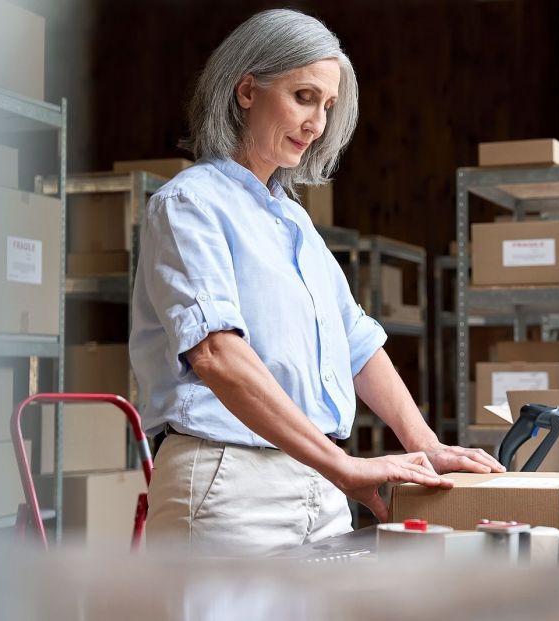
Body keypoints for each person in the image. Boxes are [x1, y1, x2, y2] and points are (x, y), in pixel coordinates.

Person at [130, 8, 504, 556]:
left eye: (328, 106)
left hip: (319, 479)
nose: (318, 124)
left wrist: (425, 443)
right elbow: (215, 354)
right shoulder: (191, 204)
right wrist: (341, 465)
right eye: (304, 97)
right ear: (246, 91)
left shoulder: (294, 220)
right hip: (230, 482)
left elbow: (356, 341)